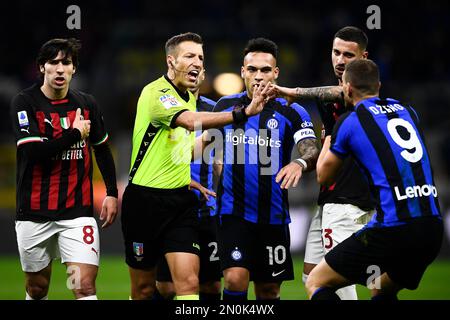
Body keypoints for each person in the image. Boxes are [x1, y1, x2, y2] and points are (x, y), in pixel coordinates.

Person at [120, 32, 270, 300]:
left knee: (189, 283)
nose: (197, 62)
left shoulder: (188, 97)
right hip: (144, 202)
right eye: (189, 56)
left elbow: (183, 151)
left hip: (180, 203)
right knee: (144, 289)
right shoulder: (156, 93)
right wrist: (241, 114)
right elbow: (189, 122)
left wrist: (185, 176)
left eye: (201, 57)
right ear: (171, 61)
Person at [306, 59, 443, 300]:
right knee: (381, 287)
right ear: (378, 85)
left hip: (393, 229)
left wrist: (330, 131)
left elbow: (323, 176)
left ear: (347, 89)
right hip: (432, 227)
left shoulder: (350, 122)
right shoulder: (409, 111)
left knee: (317, 281)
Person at [269, 26, 374, 299]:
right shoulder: (327, 101)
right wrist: (302, 164)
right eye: (336, 52)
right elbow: (326, 147)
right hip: (328, 199)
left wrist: (297, 92)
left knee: (340, 278)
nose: (340, 60)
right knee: (313, 277)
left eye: (348, 55)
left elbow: (340, 93)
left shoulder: (363, 91)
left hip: (349, 202)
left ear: (364, 58)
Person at [10, 38, 119, 300]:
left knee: (83, 288)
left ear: (74, 69)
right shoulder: (25, 103)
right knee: (37, 289)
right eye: (53, 62)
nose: (60, 69)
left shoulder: (87, 104)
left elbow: (102, 148)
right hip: (34, 213)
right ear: (42, 68)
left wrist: (112, 192)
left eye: (66, 63)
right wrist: (74, 134)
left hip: (76, 213)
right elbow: (33, 153)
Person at [213, 38, 319, 301]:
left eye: (265, 70)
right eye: (252, 70)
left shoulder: (292, 110)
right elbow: (208, 148)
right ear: (242, 72)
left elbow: (311, 149)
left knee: (269, 290)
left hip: (272, 215)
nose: (258, 76)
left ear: (276, 73)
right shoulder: (226, 106)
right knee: (236, 278)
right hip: (233, 213)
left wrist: (300, 162)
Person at [155, 69, 222, 301]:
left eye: (199, 69)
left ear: (203, 76)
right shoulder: (163, 105)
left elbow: (222, 155)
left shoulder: (215, 109)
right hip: (171, 206)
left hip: (207, 208)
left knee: (212, 284)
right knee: (166, 287)